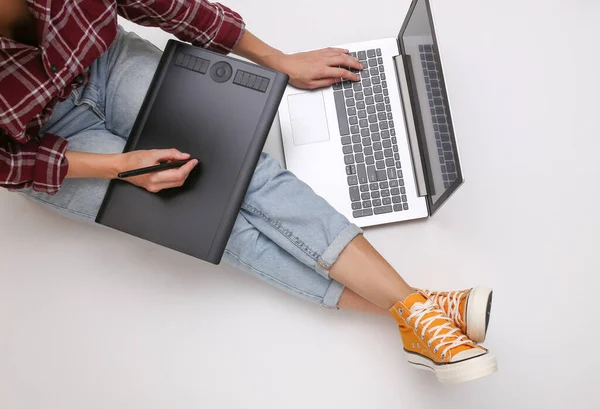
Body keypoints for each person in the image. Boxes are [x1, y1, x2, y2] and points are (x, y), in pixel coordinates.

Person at [0, 0, 497, 384]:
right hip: (46, 143)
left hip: (107, 61)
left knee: (249, 171)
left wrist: (275, 59)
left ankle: (414, 315)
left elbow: (162, 4)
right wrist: (119, 167)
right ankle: (422, 311)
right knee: (212, 224)